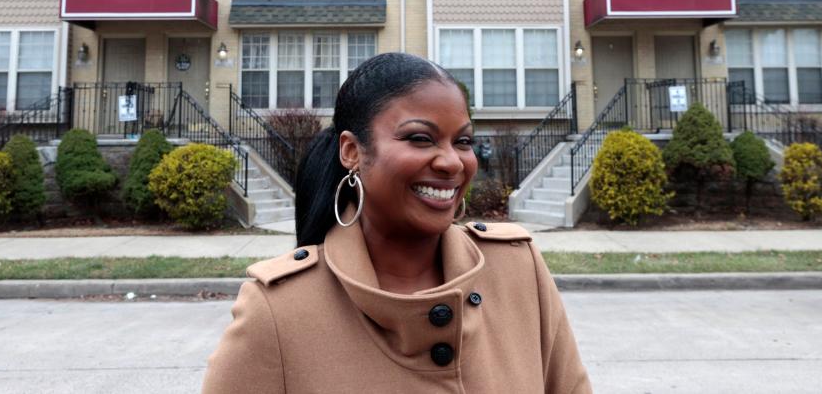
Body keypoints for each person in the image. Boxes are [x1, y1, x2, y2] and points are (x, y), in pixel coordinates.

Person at [202, 53, 591, 393]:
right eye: (421, 138)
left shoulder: (518, 268)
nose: (452, 162)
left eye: (463, 141)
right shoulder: (277, 308)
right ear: (353, 151)